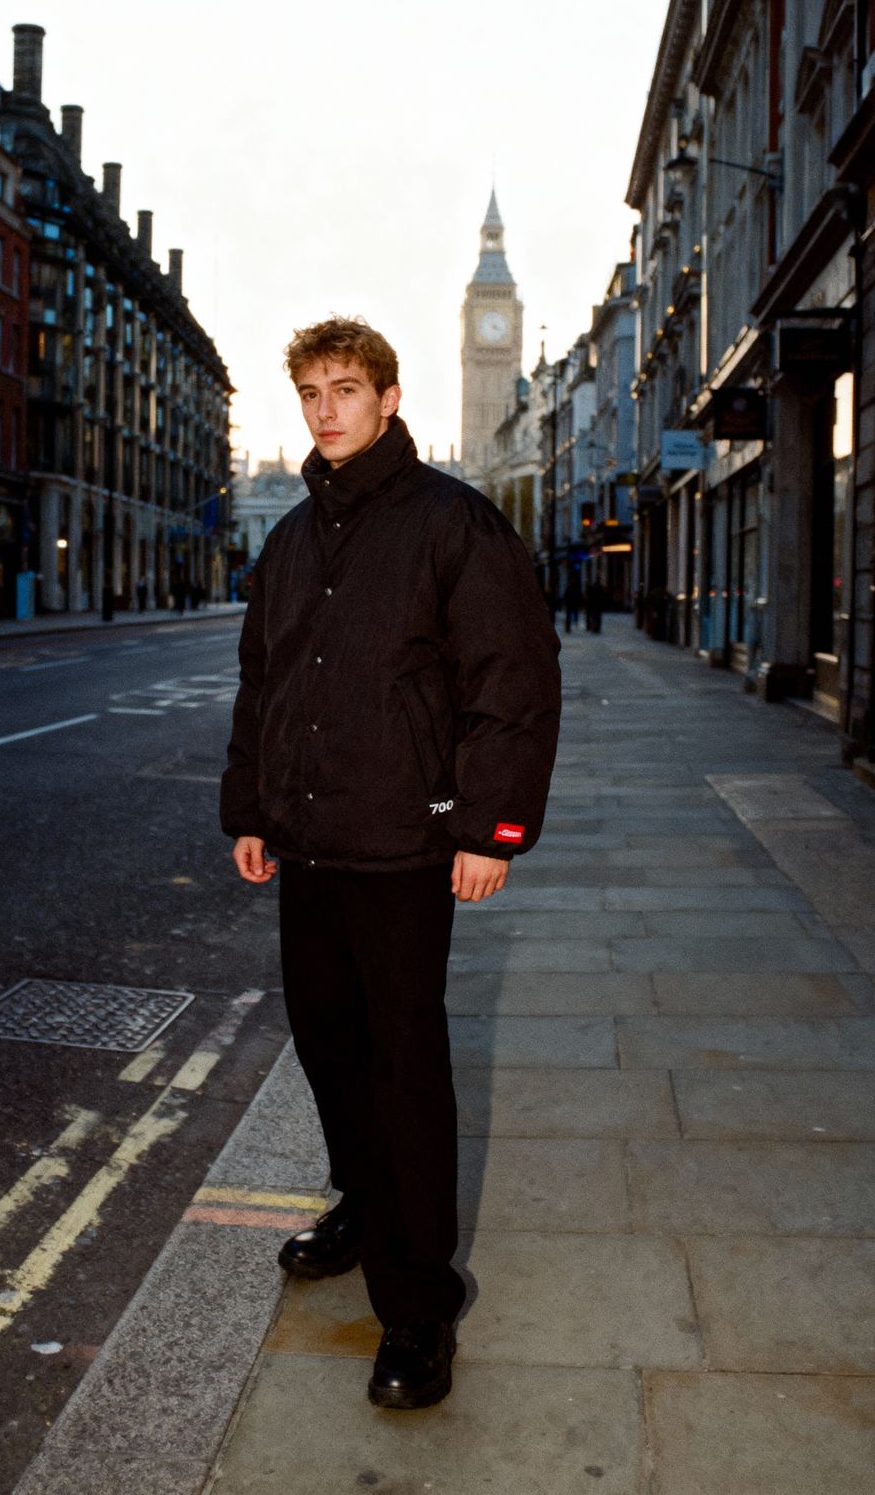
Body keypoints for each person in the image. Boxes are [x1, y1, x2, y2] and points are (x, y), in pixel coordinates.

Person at [221, 317, 560, 1411]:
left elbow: (512, 680)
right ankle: (366, 1203)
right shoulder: (291, 538)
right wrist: (251, 809)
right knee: (327, 1042)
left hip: (410, 845)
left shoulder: (450, 523)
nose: (326, 410)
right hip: (312, 841)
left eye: (346, 390)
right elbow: (262, 684)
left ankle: (416, 1308)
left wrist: (487, 831)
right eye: (311, 392)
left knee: (405, 1066)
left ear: (390, 396)